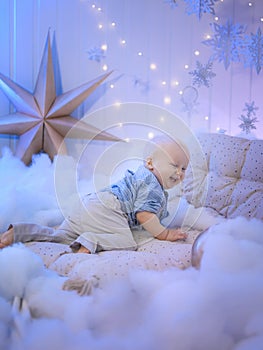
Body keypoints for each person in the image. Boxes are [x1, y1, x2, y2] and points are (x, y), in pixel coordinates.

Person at [0, 135, 190, 254]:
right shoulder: (152, 186)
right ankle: (91, 240)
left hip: (89, 203)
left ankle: (18, 232)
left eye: (184, 168)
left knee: (60, 237)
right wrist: (164, 234)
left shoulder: (141, 175)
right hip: (108, 208)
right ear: (150, 163)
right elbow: (144, 215)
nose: (180, 173)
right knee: (127, 243)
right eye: (175, 165)